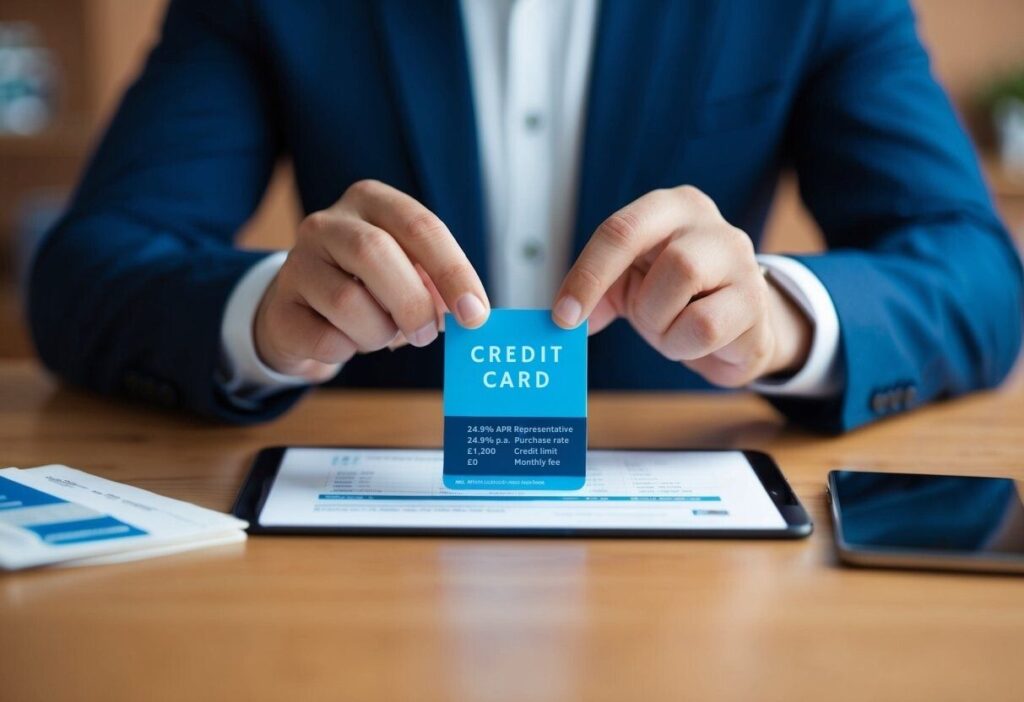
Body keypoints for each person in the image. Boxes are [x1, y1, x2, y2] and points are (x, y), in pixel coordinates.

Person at [28, 0, 1023, 433]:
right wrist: (262, 317)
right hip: (368, 543)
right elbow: (86, 271)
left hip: (691, 548)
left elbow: (975, 274)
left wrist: (778, 318)